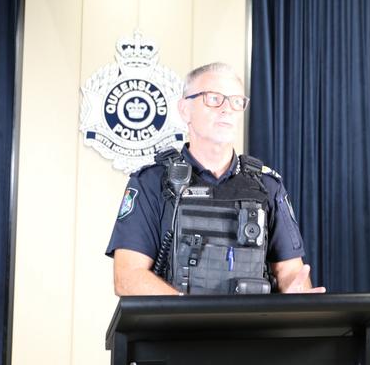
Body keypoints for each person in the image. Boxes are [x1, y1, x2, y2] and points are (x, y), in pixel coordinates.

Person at [106, 62, 325, 296]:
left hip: (252, 329)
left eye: (236, 101)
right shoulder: (151, 182)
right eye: (213, 98)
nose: (227, 109)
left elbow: (290, 272)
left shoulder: (267, 186)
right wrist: (191, 315)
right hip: (176, 331)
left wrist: (297, 292)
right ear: (184, 109)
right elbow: (128, 277)